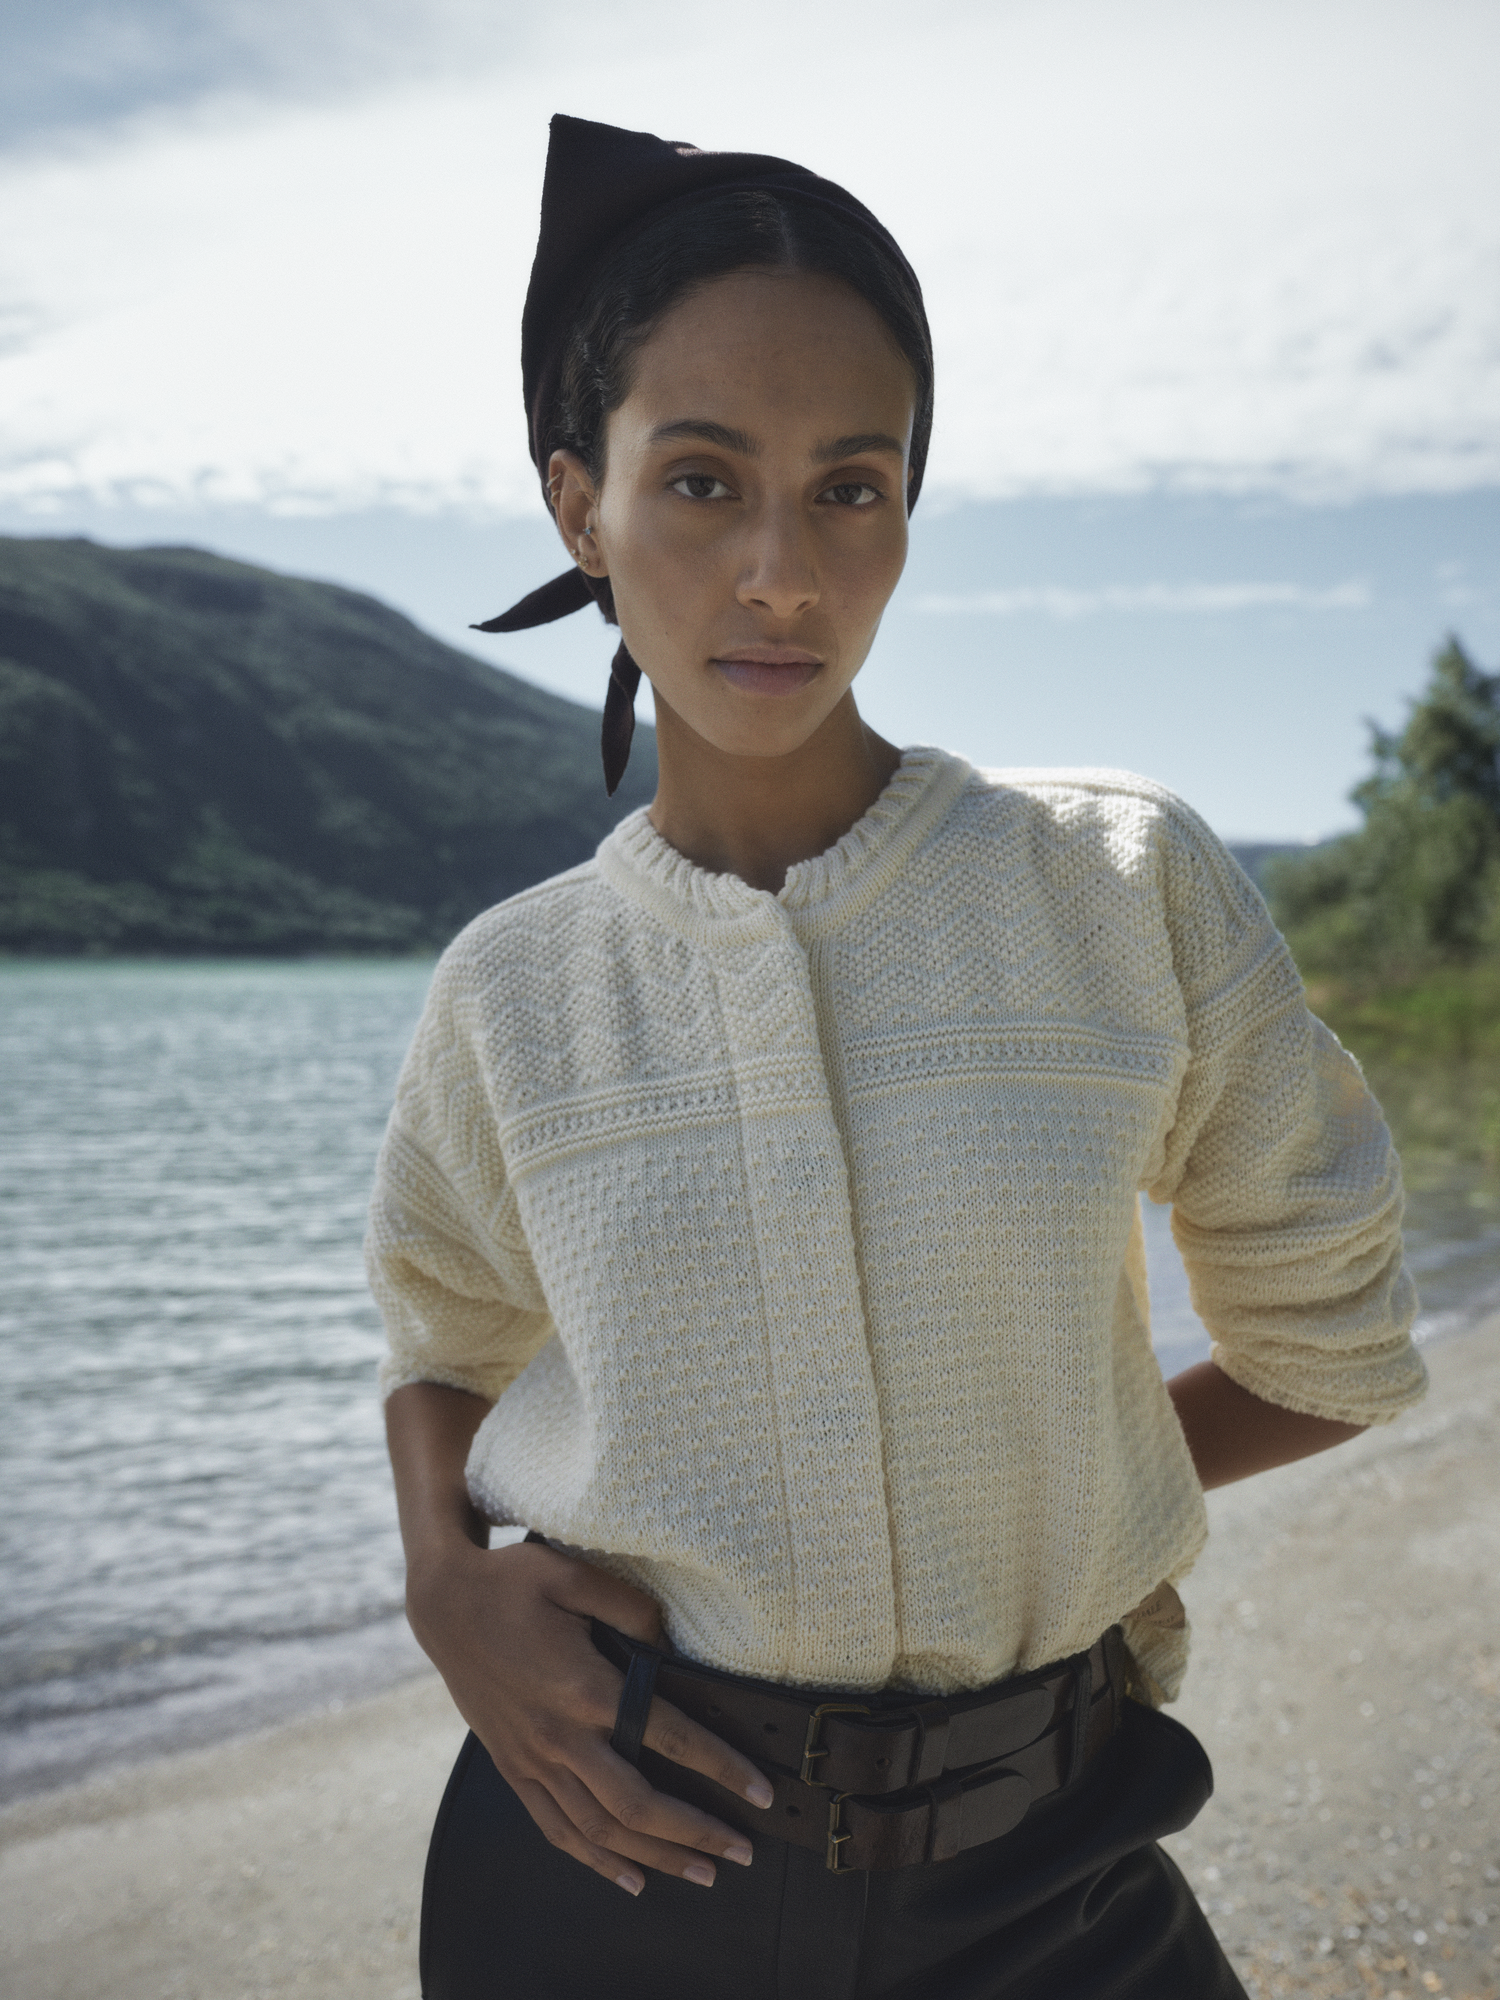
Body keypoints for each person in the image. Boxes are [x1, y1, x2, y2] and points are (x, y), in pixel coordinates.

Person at [368, 114, 1426, 2000]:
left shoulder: (1120, 887)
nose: (781, 569)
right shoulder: (510, 995)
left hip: (1059, 1867)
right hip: (598, 1870)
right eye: (699, 481)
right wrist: (447, 1586)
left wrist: (1048, 1509)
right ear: (574, 505)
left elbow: (1330, 1349)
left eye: (850, 487)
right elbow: (443, 1352)